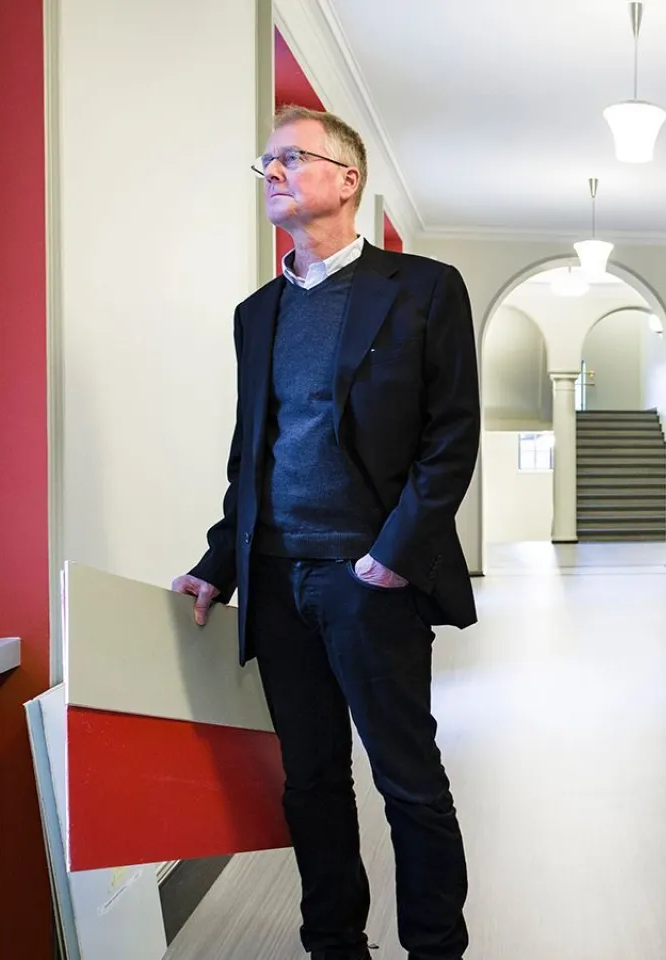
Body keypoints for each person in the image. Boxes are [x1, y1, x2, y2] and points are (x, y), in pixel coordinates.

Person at [173, 104, 479, 960]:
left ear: (346, 180)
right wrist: (216, 564)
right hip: (274, 579)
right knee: (310, 779)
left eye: (290, 159)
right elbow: (254, 456)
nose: (271, 172)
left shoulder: (423, 290)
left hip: (368, 579)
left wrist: (392, 556)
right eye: (264, 162)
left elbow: (451, 438)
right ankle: (333, 942)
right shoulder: (256, 313)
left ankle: (433, 946)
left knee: (406, 777)